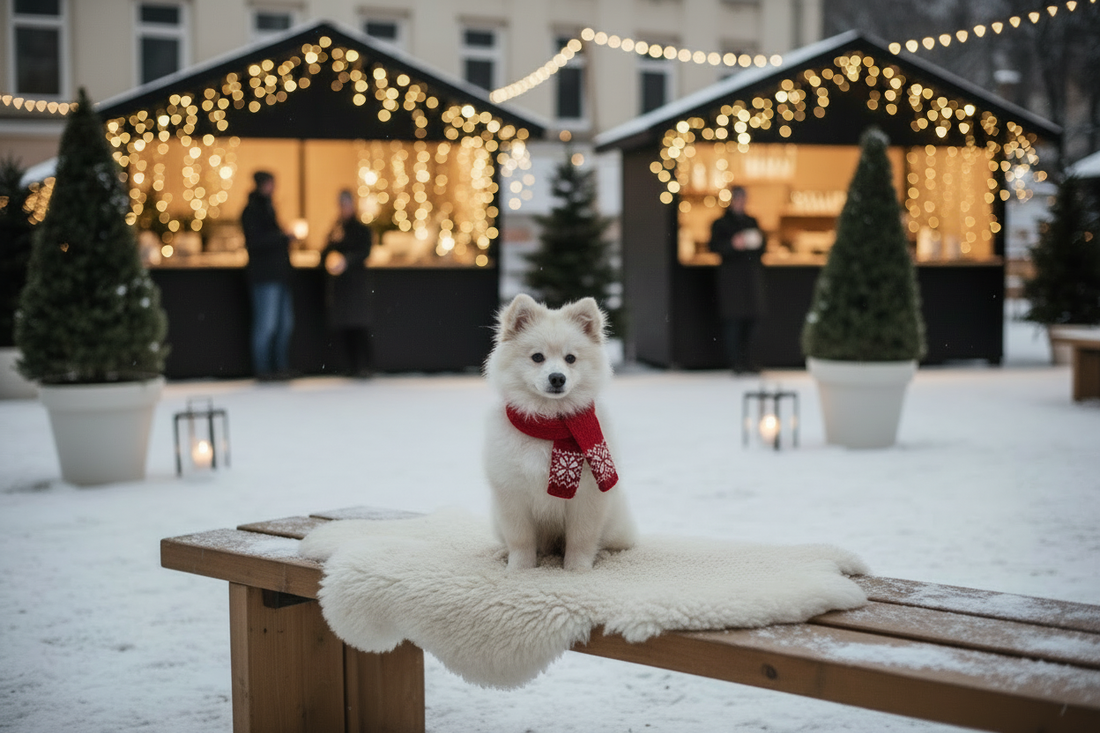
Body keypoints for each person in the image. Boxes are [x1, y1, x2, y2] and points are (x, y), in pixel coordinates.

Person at [241, 170, 295, 381]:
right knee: (267, 324)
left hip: (279, 276)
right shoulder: (253, 211)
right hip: (265, 277)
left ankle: (280, 366)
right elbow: (255, 242)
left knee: (284, 324)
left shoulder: (269, 208)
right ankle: (263, 369)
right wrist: (282, 238)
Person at [708, 185, 767, 374]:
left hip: (750, 277)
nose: (741, 202)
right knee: (733, 322)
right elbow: (714, 247)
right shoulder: (721, 223)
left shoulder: (752, 221)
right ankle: (736, 363)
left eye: (743, 198)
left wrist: (756, 243)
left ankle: (750, 361)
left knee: (753, 321)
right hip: (731, 279)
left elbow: (762, 247)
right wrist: (733, 245)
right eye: (738, 198)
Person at [320, 190, 374, 377]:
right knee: (346, 327)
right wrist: (331, 254)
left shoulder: (360, 229)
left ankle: (365, 366)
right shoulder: (337, 229)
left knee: (359, 326)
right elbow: (325, 253)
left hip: (356, 284)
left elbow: (365, 252)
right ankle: (353, 366)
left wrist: (347, 260)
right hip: (341, 286)